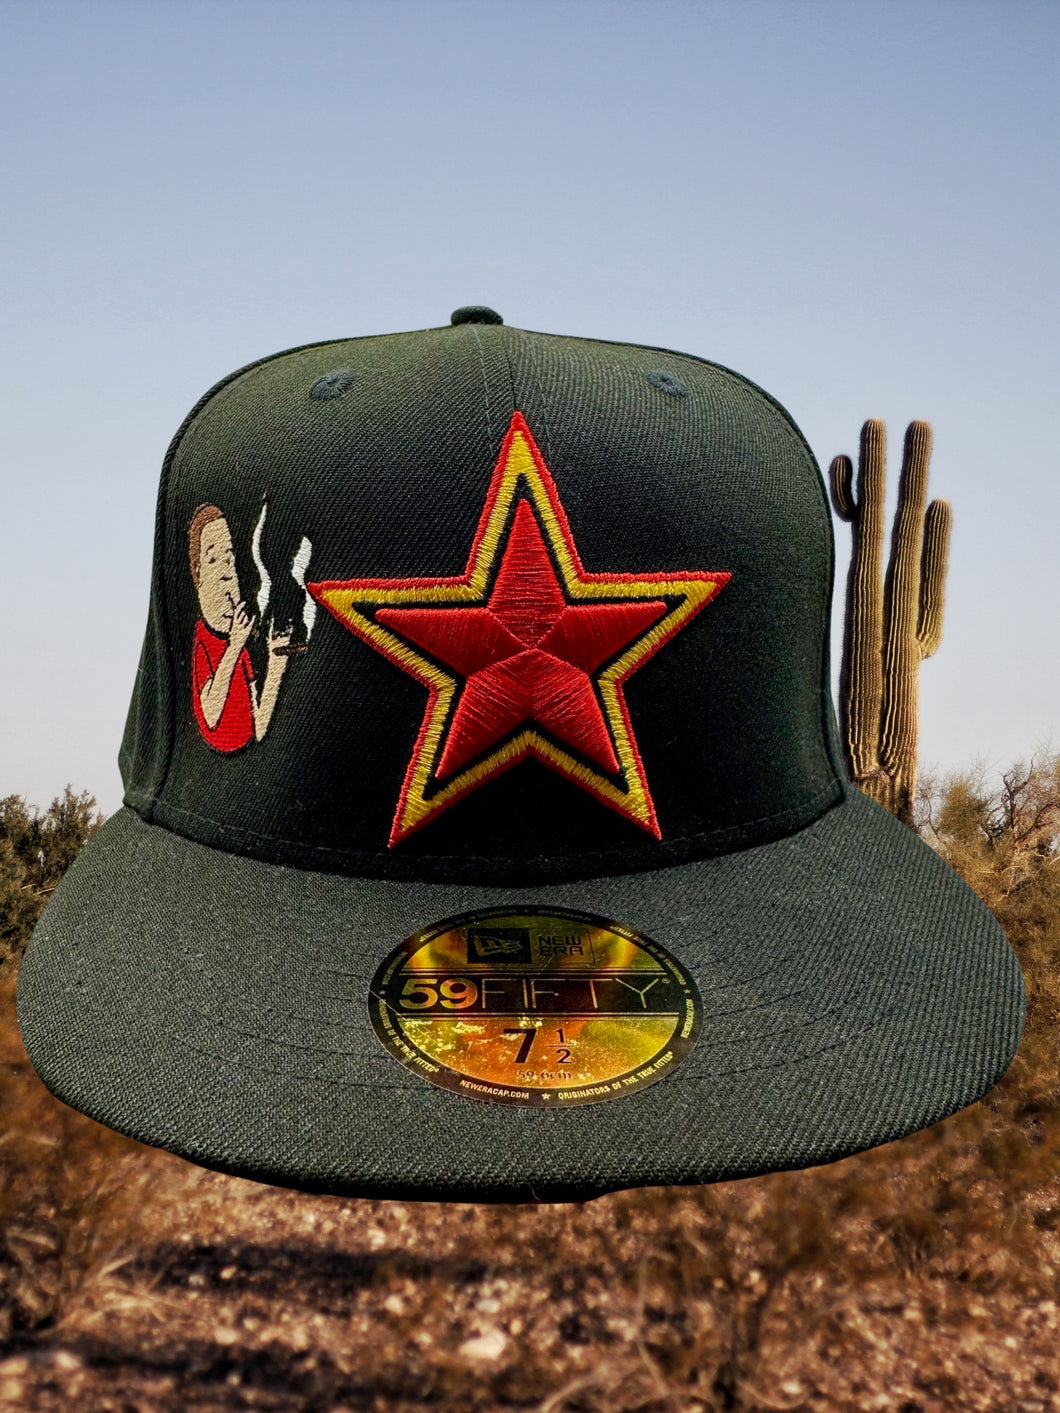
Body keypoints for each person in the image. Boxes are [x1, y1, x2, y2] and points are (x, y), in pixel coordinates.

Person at [187, 503, 292, 752]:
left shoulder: (242, 652)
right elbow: (211, 714)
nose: (226, 574)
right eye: (213, 559)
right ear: (198, 573)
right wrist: (234, 646)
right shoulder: (204, 640)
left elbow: (260, 726)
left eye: (229, 559)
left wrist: (276, 662)